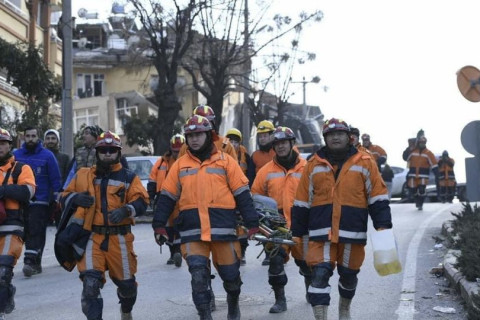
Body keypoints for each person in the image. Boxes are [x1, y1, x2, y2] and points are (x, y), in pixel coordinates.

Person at [152, 115, 259, 320]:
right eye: (190, 135)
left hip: (224, 230)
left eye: (198, 134)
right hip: (192, 232)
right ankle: (204, 315)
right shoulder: (180, 165)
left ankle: (233, 303)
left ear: (209, 135)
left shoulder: (226, 161)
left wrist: (252, 223)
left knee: (231, 277)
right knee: (199, 277)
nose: (194, 139)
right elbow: (166, 197)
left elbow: (242, 194)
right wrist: (159, 226)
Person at [291, 118, 393, 320]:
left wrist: (383, 227)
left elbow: (378, 198)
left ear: (349, 137)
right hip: (321, 234)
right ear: (325, 138)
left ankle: (344, 310)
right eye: (331, 134)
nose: (335, 137)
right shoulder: (313, 164)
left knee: (349, 277)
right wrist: (297, 234)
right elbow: (302, 201)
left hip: (351, 233)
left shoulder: (365, 162)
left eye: (340, 134)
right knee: (318, 277)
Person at [58, 131, 148, 320]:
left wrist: (126, 210)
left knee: (128, 288)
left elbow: (142, 201)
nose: (107, 153)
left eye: (112, 150)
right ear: (97, 152)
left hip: (120, 239)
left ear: (118, 153)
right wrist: (76, 199)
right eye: (103, 150)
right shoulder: (83, 175)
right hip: (92, 237)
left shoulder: (129, 177)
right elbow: (63, 197)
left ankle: (126, 310)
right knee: (90, 285)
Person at [251, 126, 308, 314]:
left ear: (292, 144)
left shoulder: (307, 168)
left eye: (284, 142)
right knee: (275, 262)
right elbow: (256, 196)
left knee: (306, 262)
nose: (281, 147)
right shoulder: (265, 171)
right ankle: (280, 300)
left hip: (303, 224)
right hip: (276, 225)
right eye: (277, 143)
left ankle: (309, 283)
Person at [13, 127, 62, 277]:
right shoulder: (16, 155)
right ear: (24, 137)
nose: (30, 139)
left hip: (40, 201)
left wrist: (57, 198)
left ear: (38, 137)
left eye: (33, 136)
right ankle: (36, 262)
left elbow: (55, 178)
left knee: (36, 230)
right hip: (20, 201)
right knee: (26, 231)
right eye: (27, 136)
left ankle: (30, 262)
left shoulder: (47, 156)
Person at [0, 128, 36, 319]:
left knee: (3, 270)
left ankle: (2, 308)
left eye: (3, 143)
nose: (0, 147)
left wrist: (4, 190)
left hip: (11, 227)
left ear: (9, 145)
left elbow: (28, 192)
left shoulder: (21, 168)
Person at [147, 133, 185, 267]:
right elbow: (152, 179)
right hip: (164, 200)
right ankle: (172, 253)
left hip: (181, 200)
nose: (177, 154)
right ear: (170, 149)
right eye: (175, 151)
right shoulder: (161, 162)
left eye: (179, 151)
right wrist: (151, 196)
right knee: (167, 229)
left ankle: (178, 251)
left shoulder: (187, 162)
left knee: (179, 226)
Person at [226, 128, 255, 266]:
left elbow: (251, 174)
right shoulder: (222, 155)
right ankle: (232, 253)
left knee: (242, 227)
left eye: (235, 141)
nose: (233, 144)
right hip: (228, 196)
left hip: (241, 193)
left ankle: (242, 251)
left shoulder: (246, 156)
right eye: (230, 141)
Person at [251, 120, 276, 266]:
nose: (262, 139)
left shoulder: (279, 150)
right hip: (262, 197)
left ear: (272, 135)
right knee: (264, 226)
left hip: (278, 195)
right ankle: (268, 253)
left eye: (265, 136)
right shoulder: (255, 156)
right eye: (260, 136)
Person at [404, 132, 438, 210]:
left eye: (423, 143)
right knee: (413, 190)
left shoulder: (429, 153)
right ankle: (417, 200)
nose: (422, 144)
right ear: (418, 143)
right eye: (421, 142)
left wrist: (437, 174)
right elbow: (405, 158)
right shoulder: (413, 151)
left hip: (423, 175)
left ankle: (420, 203)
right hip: (412, 174)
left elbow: (434, 164)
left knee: (422, 190)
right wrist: (408, 148)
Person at [44, 129, 71, 226]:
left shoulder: (65, 158)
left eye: (53, 138)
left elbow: (69, 177)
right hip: (43, 199)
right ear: (44, 141)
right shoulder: (40, 157)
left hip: (59, 199)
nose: (50, 141)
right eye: (48, 138)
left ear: (58, 141)